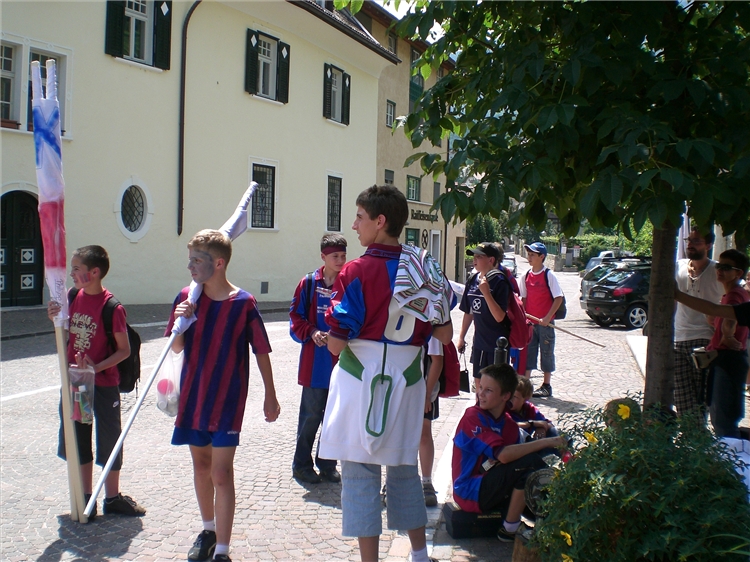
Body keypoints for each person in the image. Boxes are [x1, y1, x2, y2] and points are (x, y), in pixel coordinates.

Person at [320, 185, 453, 562]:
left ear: (380, 221)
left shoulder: (356, 270)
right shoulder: (425, 268)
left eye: (359, 217)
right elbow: (444, 335)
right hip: (407, 379)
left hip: (360, 378)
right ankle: (420, 555)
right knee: (404, 470)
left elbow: (336, 344)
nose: (354, 225)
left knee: (360, 475)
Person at [166, 230, 280, 562]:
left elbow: (261, 350)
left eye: (196, 260)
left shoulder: (242, 303)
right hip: (194, 396)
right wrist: (181, 321)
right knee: (201, 466)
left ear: (218, 263)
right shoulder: (187, 297)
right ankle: (208, 531)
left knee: (221, 472)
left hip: (228, 399)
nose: (190, 266)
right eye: (189, 259)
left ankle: (223, 550)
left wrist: (270, 395)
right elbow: (176, 348)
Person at [47, 245, 145, 519]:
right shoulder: (72, 296)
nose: (72, 273)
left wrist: (96, 368)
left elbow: (124, 350)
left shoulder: (112, 307)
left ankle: (112, 497)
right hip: (77, 383)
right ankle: (86, 497)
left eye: (76, 268)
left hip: (103, 384)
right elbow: (64, 332)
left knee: (109, 439)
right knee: (79, 437)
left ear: (94, 272)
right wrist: (55, 317)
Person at [452, 364, 565, 542]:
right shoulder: (472, 416)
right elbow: (503, 455)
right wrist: (548, 441)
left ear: (505, 396)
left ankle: (558, 518)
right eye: (480, 387)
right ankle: (510, 529)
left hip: (496, 485)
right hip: (469, 490)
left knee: (535, 480)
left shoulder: (509, 425)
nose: (480, 394)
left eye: (488, 390)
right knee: (529, 463)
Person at [289, 233, 347, 484]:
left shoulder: (348, 283)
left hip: (341, 362)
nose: (340, 261)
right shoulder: (308, 283)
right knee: (310, 416)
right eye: (335, 256)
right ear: (323, 257)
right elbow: (295, 316)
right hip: (314, 363)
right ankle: (301, 465)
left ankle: (327, 464)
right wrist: (312, 332)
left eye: (343, 256)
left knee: (333, 417)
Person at [673, 228, 724, 419]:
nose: (690, 245)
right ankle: (690, 434)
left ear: (709, 245)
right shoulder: (678, 266)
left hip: (705, 341)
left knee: (700, 401)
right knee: (682, 400)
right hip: (679, 339)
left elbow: (733, 299)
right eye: (689, 240)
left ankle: (696, 434)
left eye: (696, 241)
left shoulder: (718, 271)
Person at [704, 249, 750, 438]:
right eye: (718, 266)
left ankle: (731, 455)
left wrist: (727, 335)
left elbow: (731, 319)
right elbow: (717, 318)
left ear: (738, 273)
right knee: (723, 417)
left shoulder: (734, 295)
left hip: (728, 361)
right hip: (729, 361)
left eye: (726, 267)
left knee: (723, 421)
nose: (720, 270)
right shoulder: (733, 294)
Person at [457, 242, 511, 389]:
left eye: (479, 257)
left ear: (491, 260)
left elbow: (500, 317)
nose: (474, 260)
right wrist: (461, 337)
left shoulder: (500, 281)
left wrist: (486, 293)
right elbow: (469, 312)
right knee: (478, 384)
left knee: (495, 387)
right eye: (474, 256)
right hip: (479, 343)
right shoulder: (472, 280)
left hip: (498, 345)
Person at [519, 242, 564, 398]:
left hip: (546, 324)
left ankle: (546, 385)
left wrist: (547, 317)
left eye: (532, 255)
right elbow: (523, 298)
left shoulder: (549, 275)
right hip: (531, 323)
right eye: (529, 254)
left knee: (546, 352)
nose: (529, 257)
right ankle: (525, 383)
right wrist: (523, 316)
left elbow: (558, 298)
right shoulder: (525, 275)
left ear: (542, 257)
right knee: (529, 352)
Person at [419, 337, 444, 507]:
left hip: (425, 386)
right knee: (396, 434)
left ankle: (426, 481)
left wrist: (427, 395)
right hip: (398, 386)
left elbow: (437, 359)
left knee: (424, 433)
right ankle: (393, 480)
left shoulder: (430, 324)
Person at [508, 376, 558, 441]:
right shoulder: (503, 409)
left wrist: (541, 427)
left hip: (526, 442)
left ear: (525, 399)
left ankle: (564, 446)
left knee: (552, 431)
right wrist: (532, 424)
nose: (509, 399)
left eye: (514, 397)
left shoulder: (529, 408)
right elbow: (507, 426)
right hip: (511, 444)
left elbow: (547, 423)